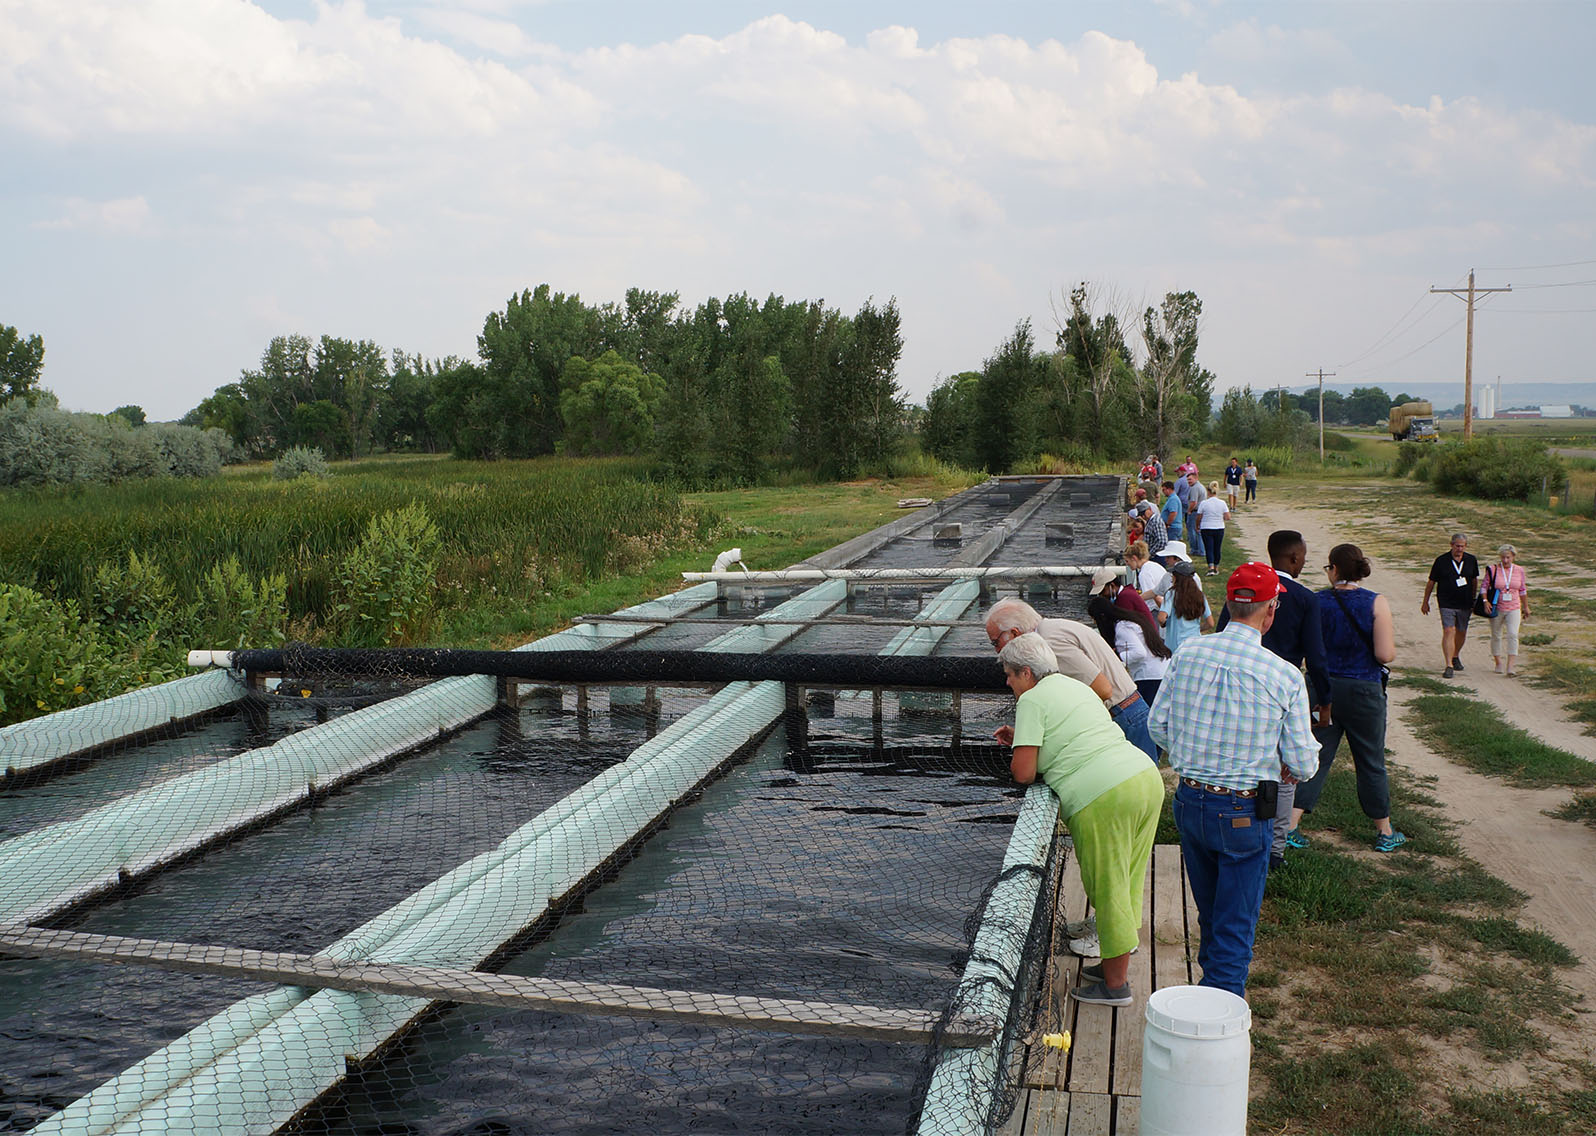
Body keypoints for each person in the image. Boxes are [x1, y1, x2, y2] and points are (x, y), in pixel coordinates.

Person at [1148, 562, 1319, 998]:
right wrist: (1283, 759)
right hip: (1243, 809)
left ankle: (1210, 995)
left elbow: (1158, 727)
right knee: (1235, 925)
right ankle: (1218, 1022)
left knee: (1212, 913)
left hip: (1190, 802)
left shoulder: (1189, 654)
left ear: (1227, 602)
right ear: (1272, 610)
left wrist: (1195, 749)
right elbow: (1303, 763)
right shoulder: (1283, 676)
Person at [995, 632, 1164, 1007]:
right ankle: (1111, 965)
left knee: (1108, 888)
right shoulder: (1075, 687)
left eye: (1009, 674)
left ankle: (1116, 986)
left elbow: (1023, 773)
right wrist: (1023, 739)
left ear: (1026, 673)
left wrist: (1020, 750)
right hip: (1142, 776)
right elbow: (1074, 736)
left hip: (1102, 795)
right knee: (1129, 879)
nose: (1007, 682)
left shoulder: (1032, 699)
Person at [1216, 530, 1332, 868]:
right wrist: (1324, 699)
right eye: (1305, 557)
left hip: (1239, 681)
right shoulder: (1306, 598)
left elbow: (1227, 632)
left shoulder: (1247, 595)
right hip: (1282, 686)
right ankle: (1275, 846)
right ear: (1295, 559)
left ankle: (1234, 815)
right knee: (1285, 769)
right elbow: (1317, 654)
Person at [1292, 543, 1406, 853]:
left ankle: (1290, 824)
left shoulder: (1316, 602)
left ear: (1335, 569)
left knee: (1316, 755)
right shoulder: (1375, 603)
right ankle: (1384, 830)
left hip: (1321, 693)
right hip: (1363, 692)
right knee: (1370, 760)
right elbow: (1385, 654)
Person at [986, 598, 1158, 762]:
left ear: (1015, 633)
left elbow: (1103, 691)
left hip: (1124, 718)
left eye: (995, 643)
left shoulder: (1048, 644)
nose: (997, 650)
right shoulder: (1053, 628)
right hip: (1128, 712)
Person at [1087, 593, 1171, 707]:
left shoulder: (1123, 628)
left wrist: (1116, 656)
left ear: (1102, 616)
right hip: (1161, 670)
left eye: (1095, 620)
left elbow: (1139, 653)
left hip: (1149, 675)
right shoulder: (1131, 620)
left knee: (1148, 716)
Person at [1421, 533, 1478, 677]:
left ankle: (1455, 655)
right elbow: (1431, 582)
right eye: (1457, 546)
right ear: (1451, 545)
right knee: (1448, 630)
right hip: (1446, 601)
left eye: (1462, 546)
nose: (1459, 549)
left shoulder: (1471, 560)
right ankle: (1448, 665)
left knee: (1461, 631)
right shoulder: (1441, 561)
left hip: (1465, 602)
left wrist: (1474, 598)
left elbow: (1474, 580)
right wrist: (1425, 601)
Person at [1481, 544, 1531, 676]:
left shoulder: (1519, 570)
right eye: (1503, 558)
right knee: (1496, 634)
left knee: (1513, 634)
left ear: (1513, 557)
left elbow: (1522, 589)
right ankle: (1498, 661)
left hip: (1514, 606)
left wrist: (1526, 606)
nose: (1505, 560)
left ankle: (1510, 665)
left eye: (1508, 557)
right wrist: (1485, 601)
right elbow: (1484, 587)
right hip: (1497, 607)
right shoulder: (1493, 569)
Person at [1162, 561, 1213, 656]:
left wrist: (1164, 623)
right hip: (1195, 643)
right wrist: (1198, 629)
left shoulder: (1171, 594)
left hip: (1175, 645)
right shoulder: (1200, 595)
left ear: (1177, 577)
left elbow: (1161, 617)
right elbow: (1210, 623)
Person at [1127, 538, 1171, 622]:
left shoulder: (1144, 573)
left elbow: (1155, 596)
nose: (1127, 564)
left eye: (1127, 561)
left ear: (1134, 558)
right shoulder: (1155, 565)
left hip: (1156, 611)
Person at [1195, 482, 1229, 574]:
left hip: (1206, 527)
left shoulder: (1204, 503)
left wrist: (1197, 525)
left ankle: (1211, 567)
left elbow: (1199, 516)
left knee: (1209, 548)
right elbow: (1227, 517)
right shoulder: (1222, 503)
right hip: (1219, 527)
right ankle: (1217, 567)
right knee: (1217, 548)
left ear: (1208, 492)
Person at [1183, 471, 1207, 548]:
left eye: (1190, 479)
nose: (1188, 481)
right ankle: (1201, 549)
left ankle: (1195, 549)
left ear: (1196, 478)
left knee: (1192, 531)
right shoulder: (1201, 486)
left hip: (1195, 512)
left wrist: (1189, 511)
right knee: (1199, 531)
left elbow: (1193, 502)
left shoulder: (1194, 488)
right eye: (1187, 480)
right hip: (1201, 512)